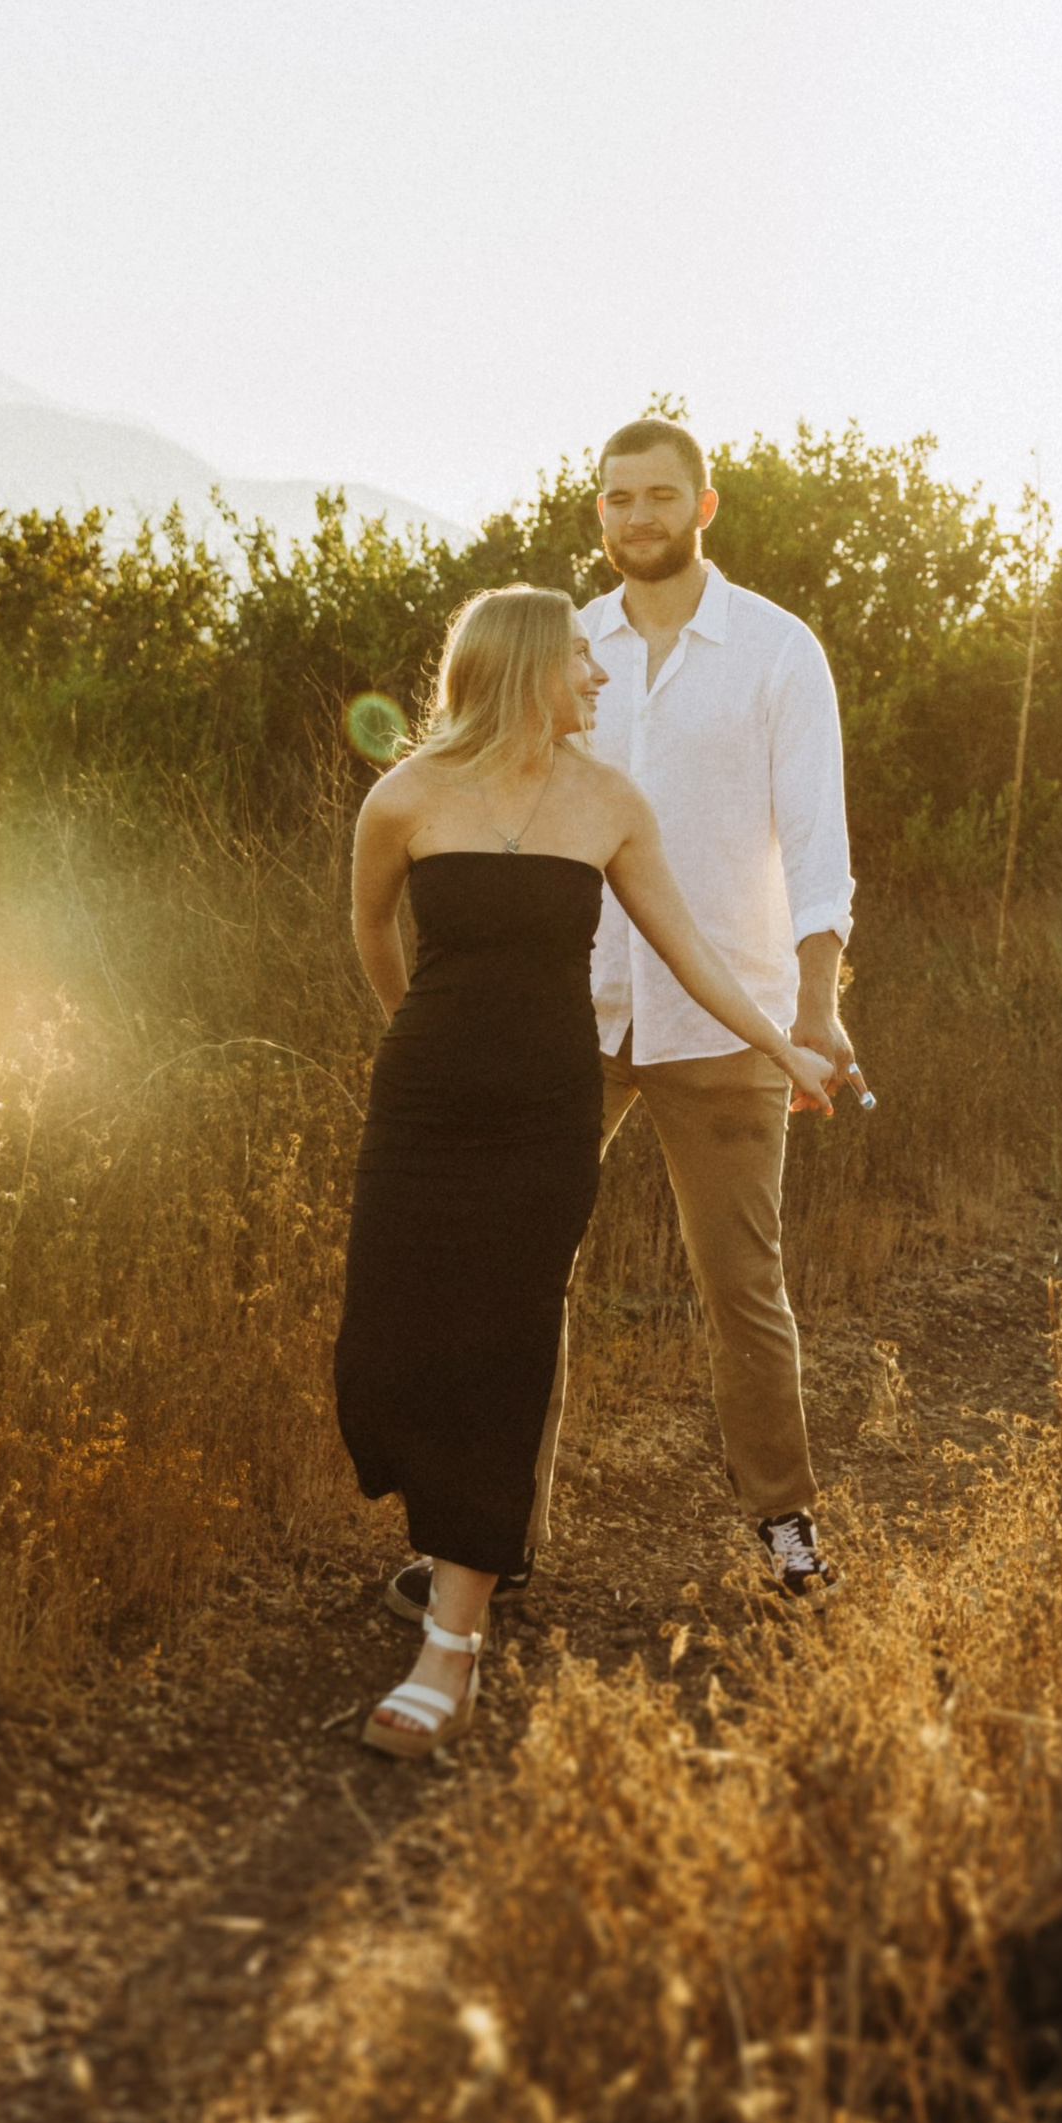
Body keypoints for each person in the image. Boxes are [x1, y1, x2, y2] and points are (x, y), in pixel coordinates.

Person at [337, 583, 835, 1760]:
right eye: (576, 659)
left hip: (546, 1110)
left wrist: (782, 1042)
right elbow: (370, 935)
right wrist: (426, 1035)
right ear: (520, 669)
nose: (598, 674)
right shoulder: (402, 796)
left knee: (508, 1341)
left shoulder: (609, 802)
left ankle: (452, 1641)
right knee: (384, 1346)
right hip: (422, 1103)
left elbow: (690, 949)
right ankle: (462, 1522)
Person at [387, 416, 861, 1625]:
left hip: (729, 1014)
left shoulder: (775, 651)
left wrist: (810, 1009)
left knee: (740, 1285)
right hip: (569, 1018)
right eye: (615, 499)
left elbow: (817, 846)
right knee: (518, 1276)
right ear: (595, 513)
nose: (635, 516)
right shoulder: (567, 646)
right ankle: (498, 1541)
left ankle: (785, 1525)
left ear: (704, 506)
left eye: (658, 495)